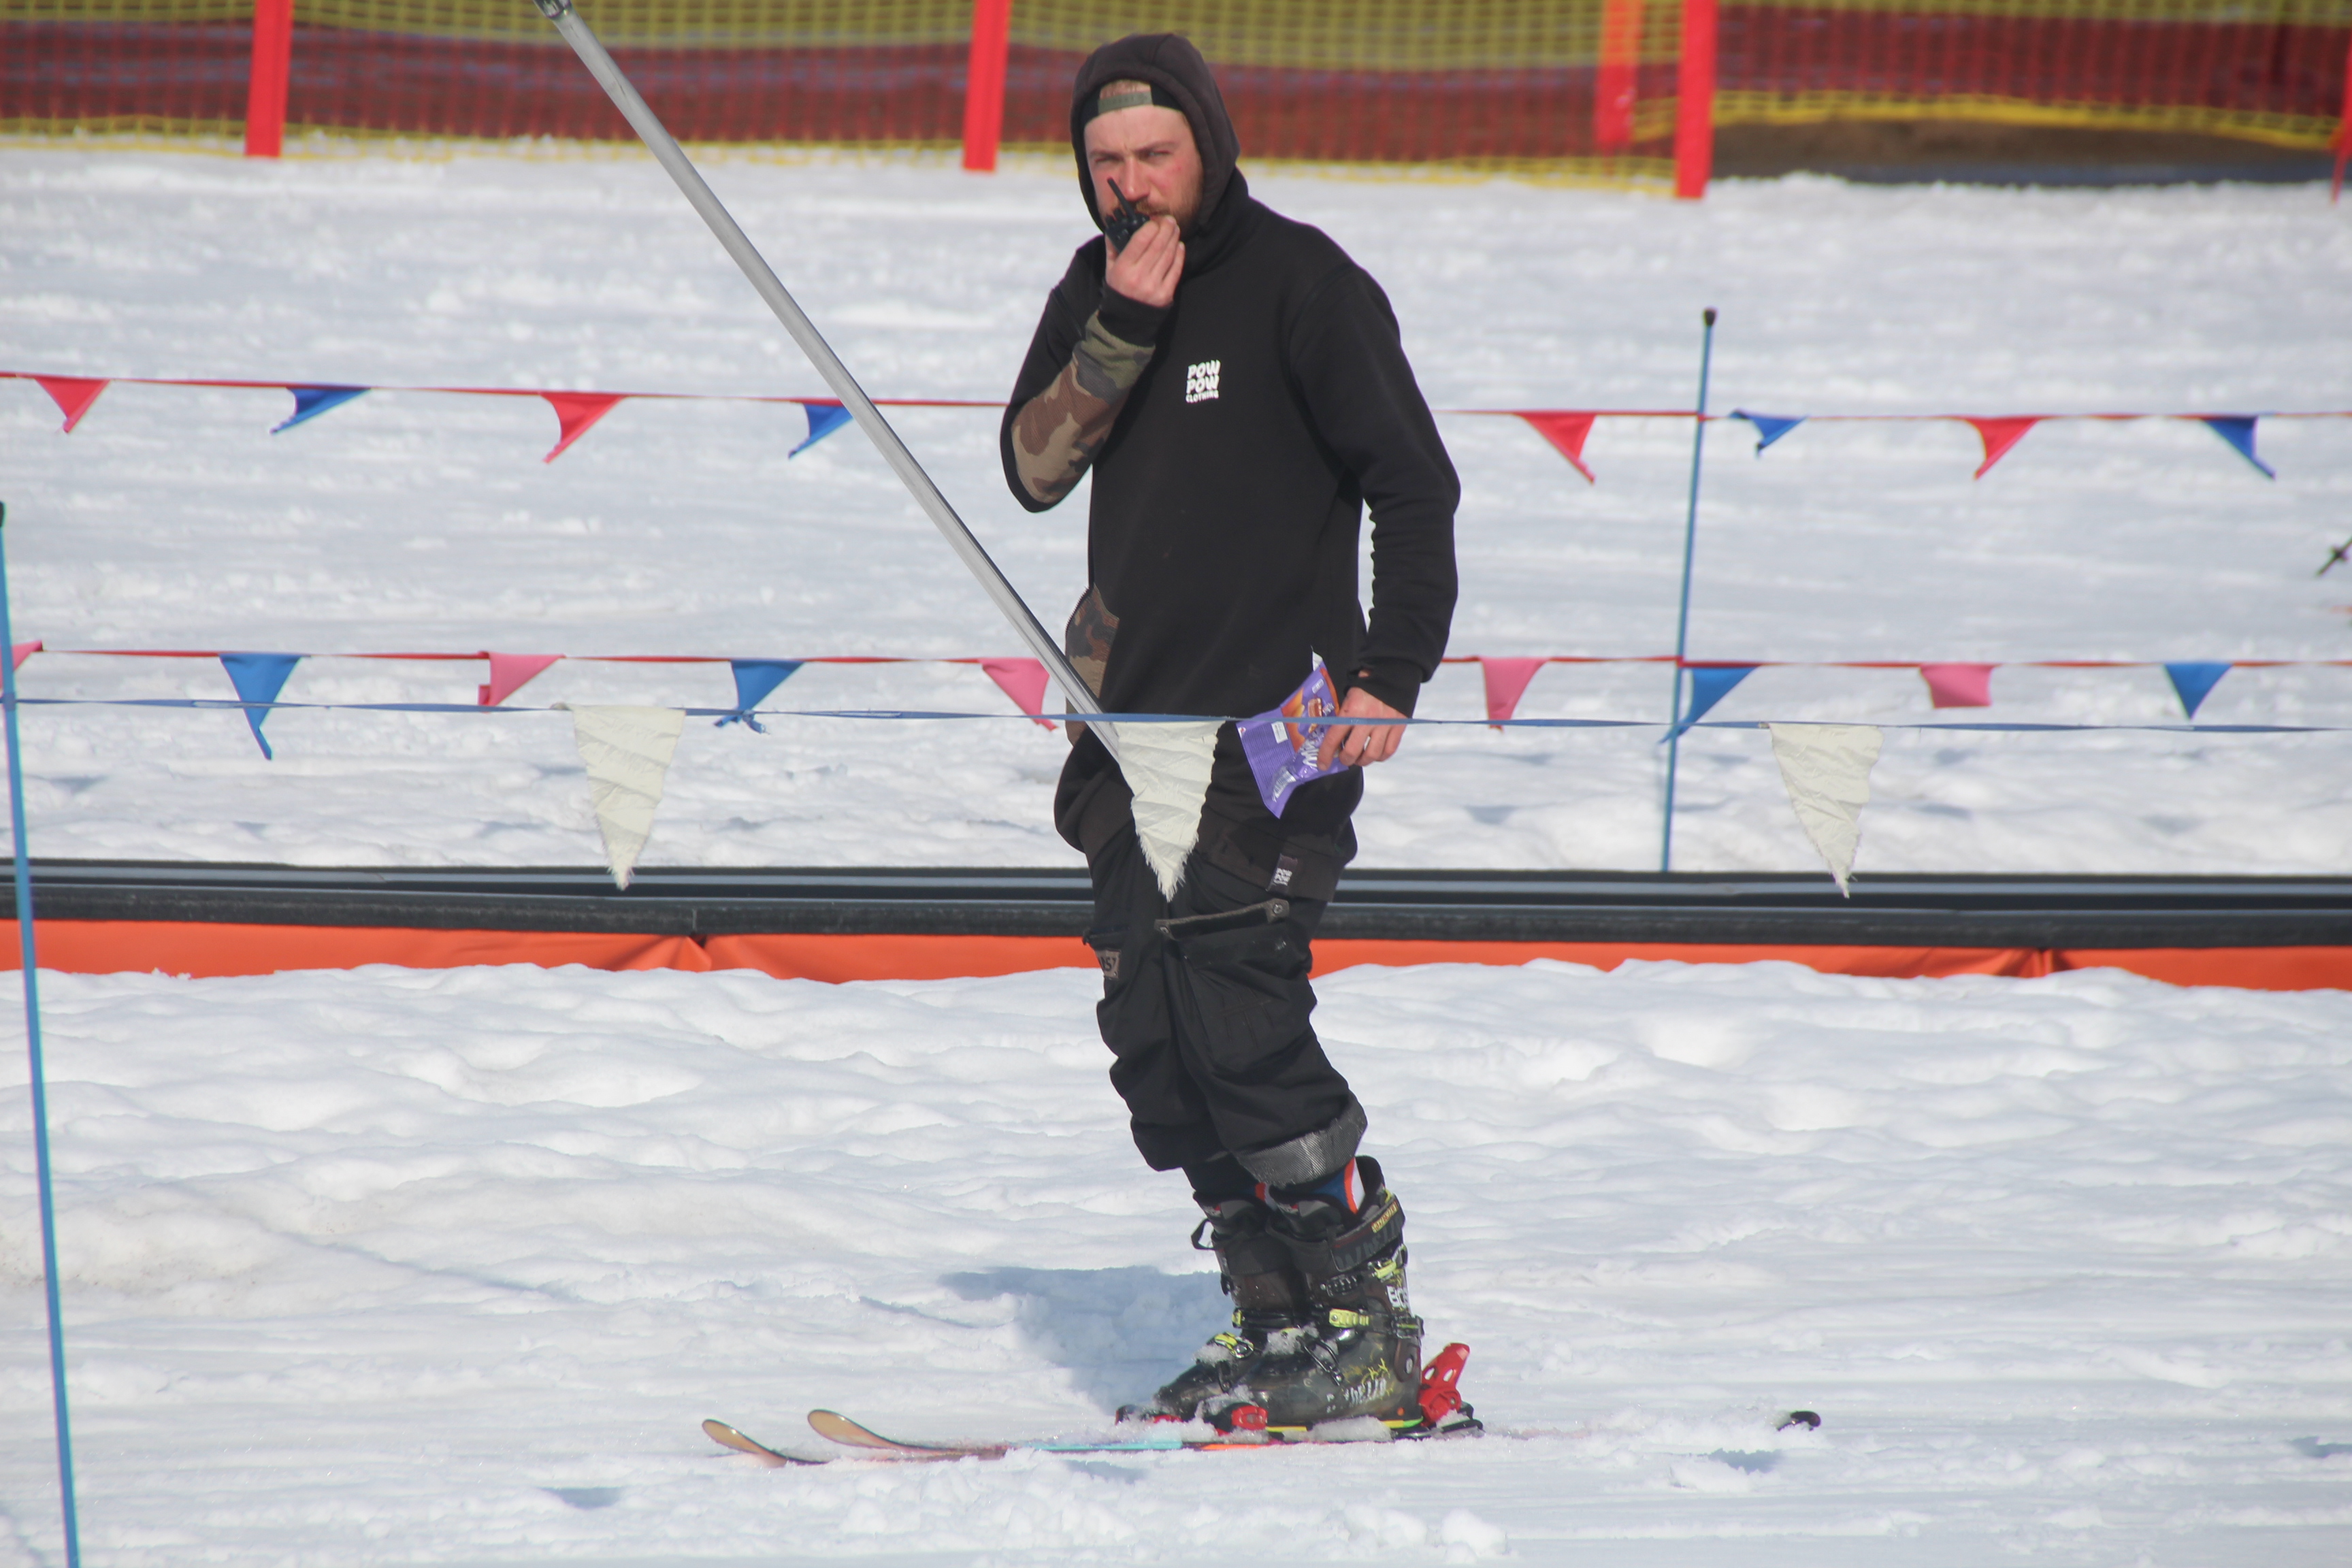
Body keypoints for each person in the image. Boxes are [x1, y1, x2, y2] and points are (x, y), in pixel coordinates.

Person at [999, 33, 1460, 1431]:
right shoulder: (1095, 292)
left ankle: (1364, 1320)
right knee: (1153, 1028)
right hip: (1127, 727)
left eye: (1158, 156)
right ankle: (1275, 1319)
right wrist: (1119, 332)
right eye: (1107, 164)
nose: (1133, 186)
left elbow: (1415, 488)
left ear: (1209, 145)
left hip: (1286, 719)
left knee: (1238, 1003)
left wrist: (1393, 673)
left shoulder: (1304, 285)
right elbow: (1031, 471)